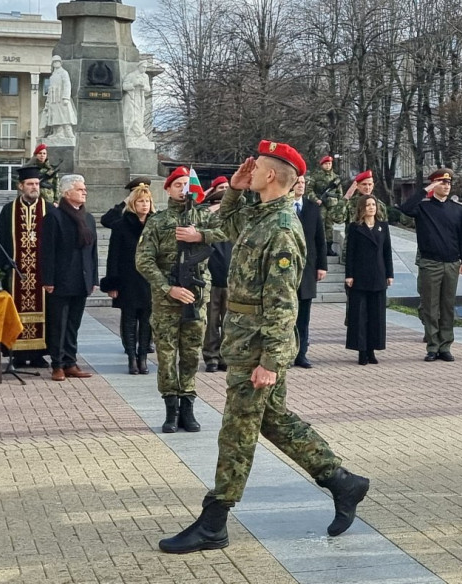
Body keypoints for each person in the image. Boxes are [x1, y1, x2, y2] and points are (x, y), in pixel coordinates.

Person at [157, 142, 369, 554]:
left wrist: (270, 361)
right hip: (246, 339)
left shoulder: (282, 229)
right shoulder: (261, 214)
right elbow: (228, 226)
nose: (248, 171)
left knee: (237, 431)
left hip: (259, 345)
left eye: (255, 168)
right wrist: (234, 189)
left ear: (271, 176)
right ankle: (343, 482)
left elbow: (284, 304)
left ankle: (214, 520)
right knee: (272, 420)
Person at [135, 167, 223, 433]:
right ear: (168, 189)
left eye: (188, 184)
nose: (184, 189)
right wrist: (166, 288)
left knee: (190, 354)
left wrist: (200, 235)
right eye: (178, 184)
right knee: (166, 355)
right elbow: (143, 260)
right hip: (167, 301)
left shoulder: (204, 217)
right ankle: (170, 409)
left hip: (196, 299)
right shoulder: (158, 221)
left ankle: (188, 406)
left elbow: (230, 231)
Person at [0, 166, 52, 368]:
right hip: (14, 275)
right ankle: (16, 353)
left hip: (42, 275)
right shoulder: (9, 210)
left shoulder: (49, 209)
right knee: (14, 312)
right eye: (30, 184)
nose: (34, 188)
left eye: (37, 184)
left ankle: (38, 354)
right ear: (20, 186)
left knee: (45, 314)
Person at [400, 168, 462, 362]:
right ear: (433, 184)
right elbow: (405, 209)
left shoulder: (457, 209)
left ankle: (445, 345)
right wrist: (426, 190)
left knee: (448, 306)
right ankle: (432, 346)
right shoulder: (423, 207)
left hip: (451, 263)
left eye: (448, 183)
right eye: (441, 182)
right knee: (430, 307)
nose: (446, 186)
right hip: (430, 263)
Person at [40, 174, 98, 381]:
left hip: (81, 279)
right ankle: (57, 364)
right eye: (80, 189)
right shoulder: (54, 217)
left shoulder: (88, 218)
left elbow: (92, 252)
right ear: (67, 193)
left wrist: (93, 278)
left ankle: (70, 362)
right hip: (60, 280)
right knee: (58, 323)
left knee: (74, 324)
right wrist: (48, 280)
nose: (84, 192)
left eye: (84, 189)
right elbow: (47, 251)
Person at [102, 181, 155, 374]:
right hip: (128, 279)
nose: (144, 205)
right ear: (133, 203)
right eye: (140, 201)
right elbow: (113, 256)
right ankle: (132, 358)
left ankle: (143, 358)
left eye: (147, 201)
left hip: (149, 279)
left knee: (147, 320)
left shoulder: (155, 224)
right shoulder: (122, 225)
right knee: (130, 320)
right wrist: (112, 283)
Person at [345, 194, 393, 365]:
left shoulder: (383, 227)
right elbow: (349, 253)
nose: (371, 207)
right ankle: (361, 351)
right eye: (368, 205)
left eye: (373, 204)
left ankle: (372, 350)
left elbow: (387, 252)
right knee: (359, 315)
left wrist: (390, 274)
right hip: (360, 276)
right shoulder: (355, 227)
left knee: (376, 315)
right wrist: (349, 275)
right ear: (362, 208)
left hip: (378, 275)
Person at [292, 175, 329, 368]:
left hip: (307, 269)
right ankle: (287, 353)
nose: (301, 186)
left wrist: (322, 266)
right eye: (297, 183)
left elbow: (320, 240)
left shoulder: (313, 208)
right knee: (286, 315)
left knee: (303, 315)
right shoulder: (281, 207)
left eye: (303, 183)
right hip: (286, 270)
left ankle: (301, 354)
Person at [203, 177, 233, 373]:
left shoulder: (235, 223)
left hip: (232, 279)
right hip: (212, 279)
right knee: (212, 322)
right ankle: (211, 357)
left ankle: (224, 357)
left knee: (229, 322)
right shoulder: (207, 221)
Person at [43, 58, 77, 141]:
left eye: (57, 61)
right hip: (53, 98)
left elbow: (67, 85)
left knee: (64, 115)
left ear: (60, 63)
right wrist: (48, 101)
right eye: (54, 62)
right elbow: (50, 88)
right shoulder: (53, 75)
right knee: (54, 115)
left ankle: (66, 132)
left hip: (61, 97)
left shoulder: (64, 73)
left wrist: (66, 97)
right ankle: (57, 132)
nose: (56, 63)